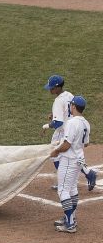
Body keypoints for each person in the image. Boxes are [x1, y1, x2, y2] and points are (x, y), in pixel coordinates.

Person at [43, 74, 97, 191]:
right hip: (73, 128)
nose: (50, 90)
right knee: (73, 154)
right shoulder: (69, 95)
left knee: (55, 155)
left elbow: (57, 123)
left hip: (62, 131)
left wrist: (46, 126)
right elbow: (70, 111)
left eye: (52, 88)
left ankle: (64, 180)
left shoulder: (58, 101)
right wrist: (54, 115)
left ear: (57, 88)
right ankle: (89, 173)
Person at [50, 95, 91, 233]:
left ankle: (70, 224)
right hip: (78, 160)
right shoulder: (86, 123)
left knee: (63, 190)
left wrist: (56, 151)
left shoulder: (72, 123)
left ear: (73, 106)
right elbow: (86, 144)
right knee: (72, 189)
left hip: (68, 161)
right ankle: (71, 218)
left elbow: (67, 145)